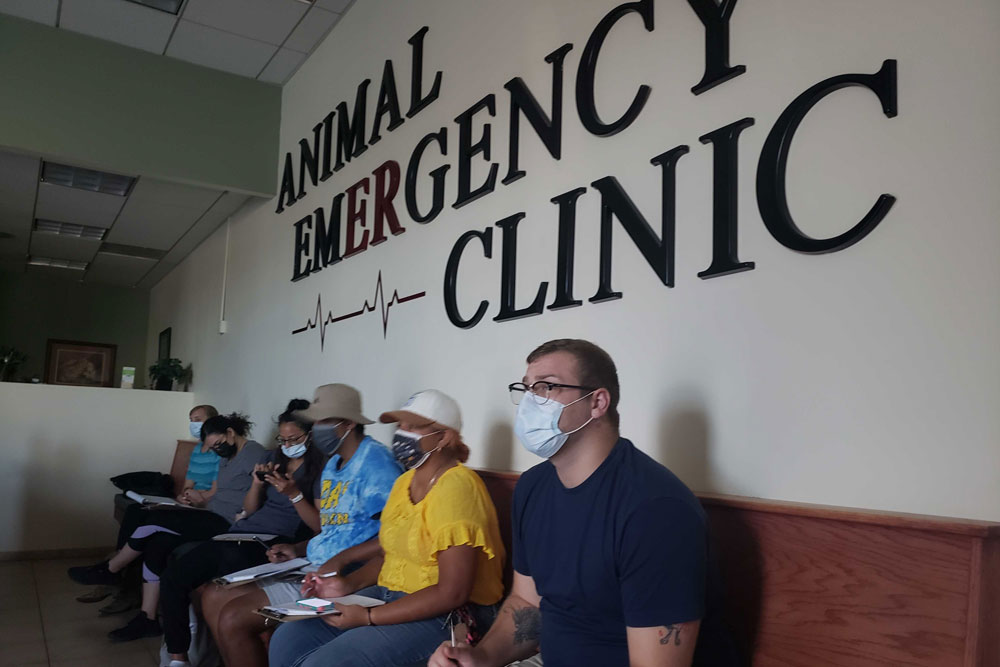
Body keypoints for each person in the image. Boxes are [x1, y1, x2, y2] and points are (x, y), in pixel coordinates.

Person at [429, 339, 737, 667]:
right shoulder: (533, 488)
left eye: (547, 387)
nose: (531, 401)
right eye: (527, 388)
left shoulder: (656, 511)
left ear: (597, 402)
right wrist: (482, 657)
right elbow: (528, 603)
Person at [268, 389, 505, 667]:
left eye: (413, 426)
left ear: (443, 437)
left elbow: (452, 592)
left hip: (447, 614)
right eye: (400, 425)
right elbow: (391, 553)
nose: (401, 433)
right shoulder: (405, 483)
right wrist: (346, 584)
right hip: (389, 593)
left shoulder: (457, 486)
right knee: (288, 638)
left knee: (326, 662)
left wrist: (368, 617)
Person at [200, 384, 402, 667]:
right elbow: (333, 530)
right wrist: (297, 548)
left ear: (348, 423)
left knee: (234, 617)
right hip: (310, 564)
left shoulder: (378, 465)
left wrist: (340, 565)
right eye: (315, 422)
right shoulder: (334, 464)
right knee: (213, 595)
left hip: (344, 574)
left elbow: (392, 539)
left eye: (323, 421)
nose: (317, 429)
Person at [68, 411, 264, 641]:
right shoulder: (226, 457)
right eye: (213, 447)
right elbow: (222, 493)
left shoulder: (253, 453)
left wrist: (244, 515)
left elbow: (258, 492)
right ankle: (147, 619)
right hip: (210, 512)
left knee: (153, 520)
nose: (217, 450)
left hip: (227, 522)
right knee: (157, 542)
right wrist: (199, 499)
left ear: (231, 433)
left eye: (219, 444)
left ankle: (111, 569)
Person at [160, 398, 328, 666]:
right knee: (174, 573)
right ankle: (178, 658)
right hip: (242, 531)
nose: (287, 446)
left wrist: (294, 494)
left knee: (212, 574)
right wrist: (256, 484)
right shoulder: (274, 458)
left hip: (272, 540)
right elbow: (250, 509)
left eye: (293, 439)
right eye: (282, 440)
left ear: (310, 435)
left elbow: (319, 526)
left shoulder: (320, 468)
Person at [178, 404, 222, 504]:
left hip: (209, 503)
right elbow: (187, 485)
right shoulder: (197, 449)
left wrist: (196, 499)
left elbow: (215, 492)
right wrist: (183, 497)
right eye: (191, 420)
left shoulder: (219, 451)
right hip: (192, 500)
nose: (193, 424)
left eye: (197, 420)